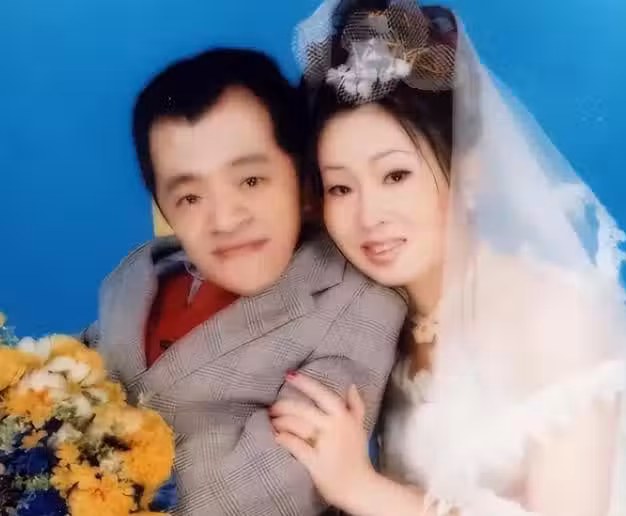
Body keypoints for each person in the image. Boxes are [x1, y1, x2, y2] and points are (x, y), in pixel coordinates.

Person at [270, 1, 626, 515]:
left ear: (470, 167)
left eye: (396, 175)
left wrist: (361, 488)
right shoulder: (375, 313)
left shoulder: (555, 314)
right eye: (340, 187)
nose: (369, 216)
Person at [81, 48, 407, 515]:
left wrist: (81, 483)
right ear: (164, 208)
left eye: (251, 181)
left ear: (303, 179)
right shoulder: (146, 274)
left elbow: (276, 478)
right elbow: (82, 366)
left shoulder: (354, 301)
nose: (226, 220)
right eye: (190, 197)